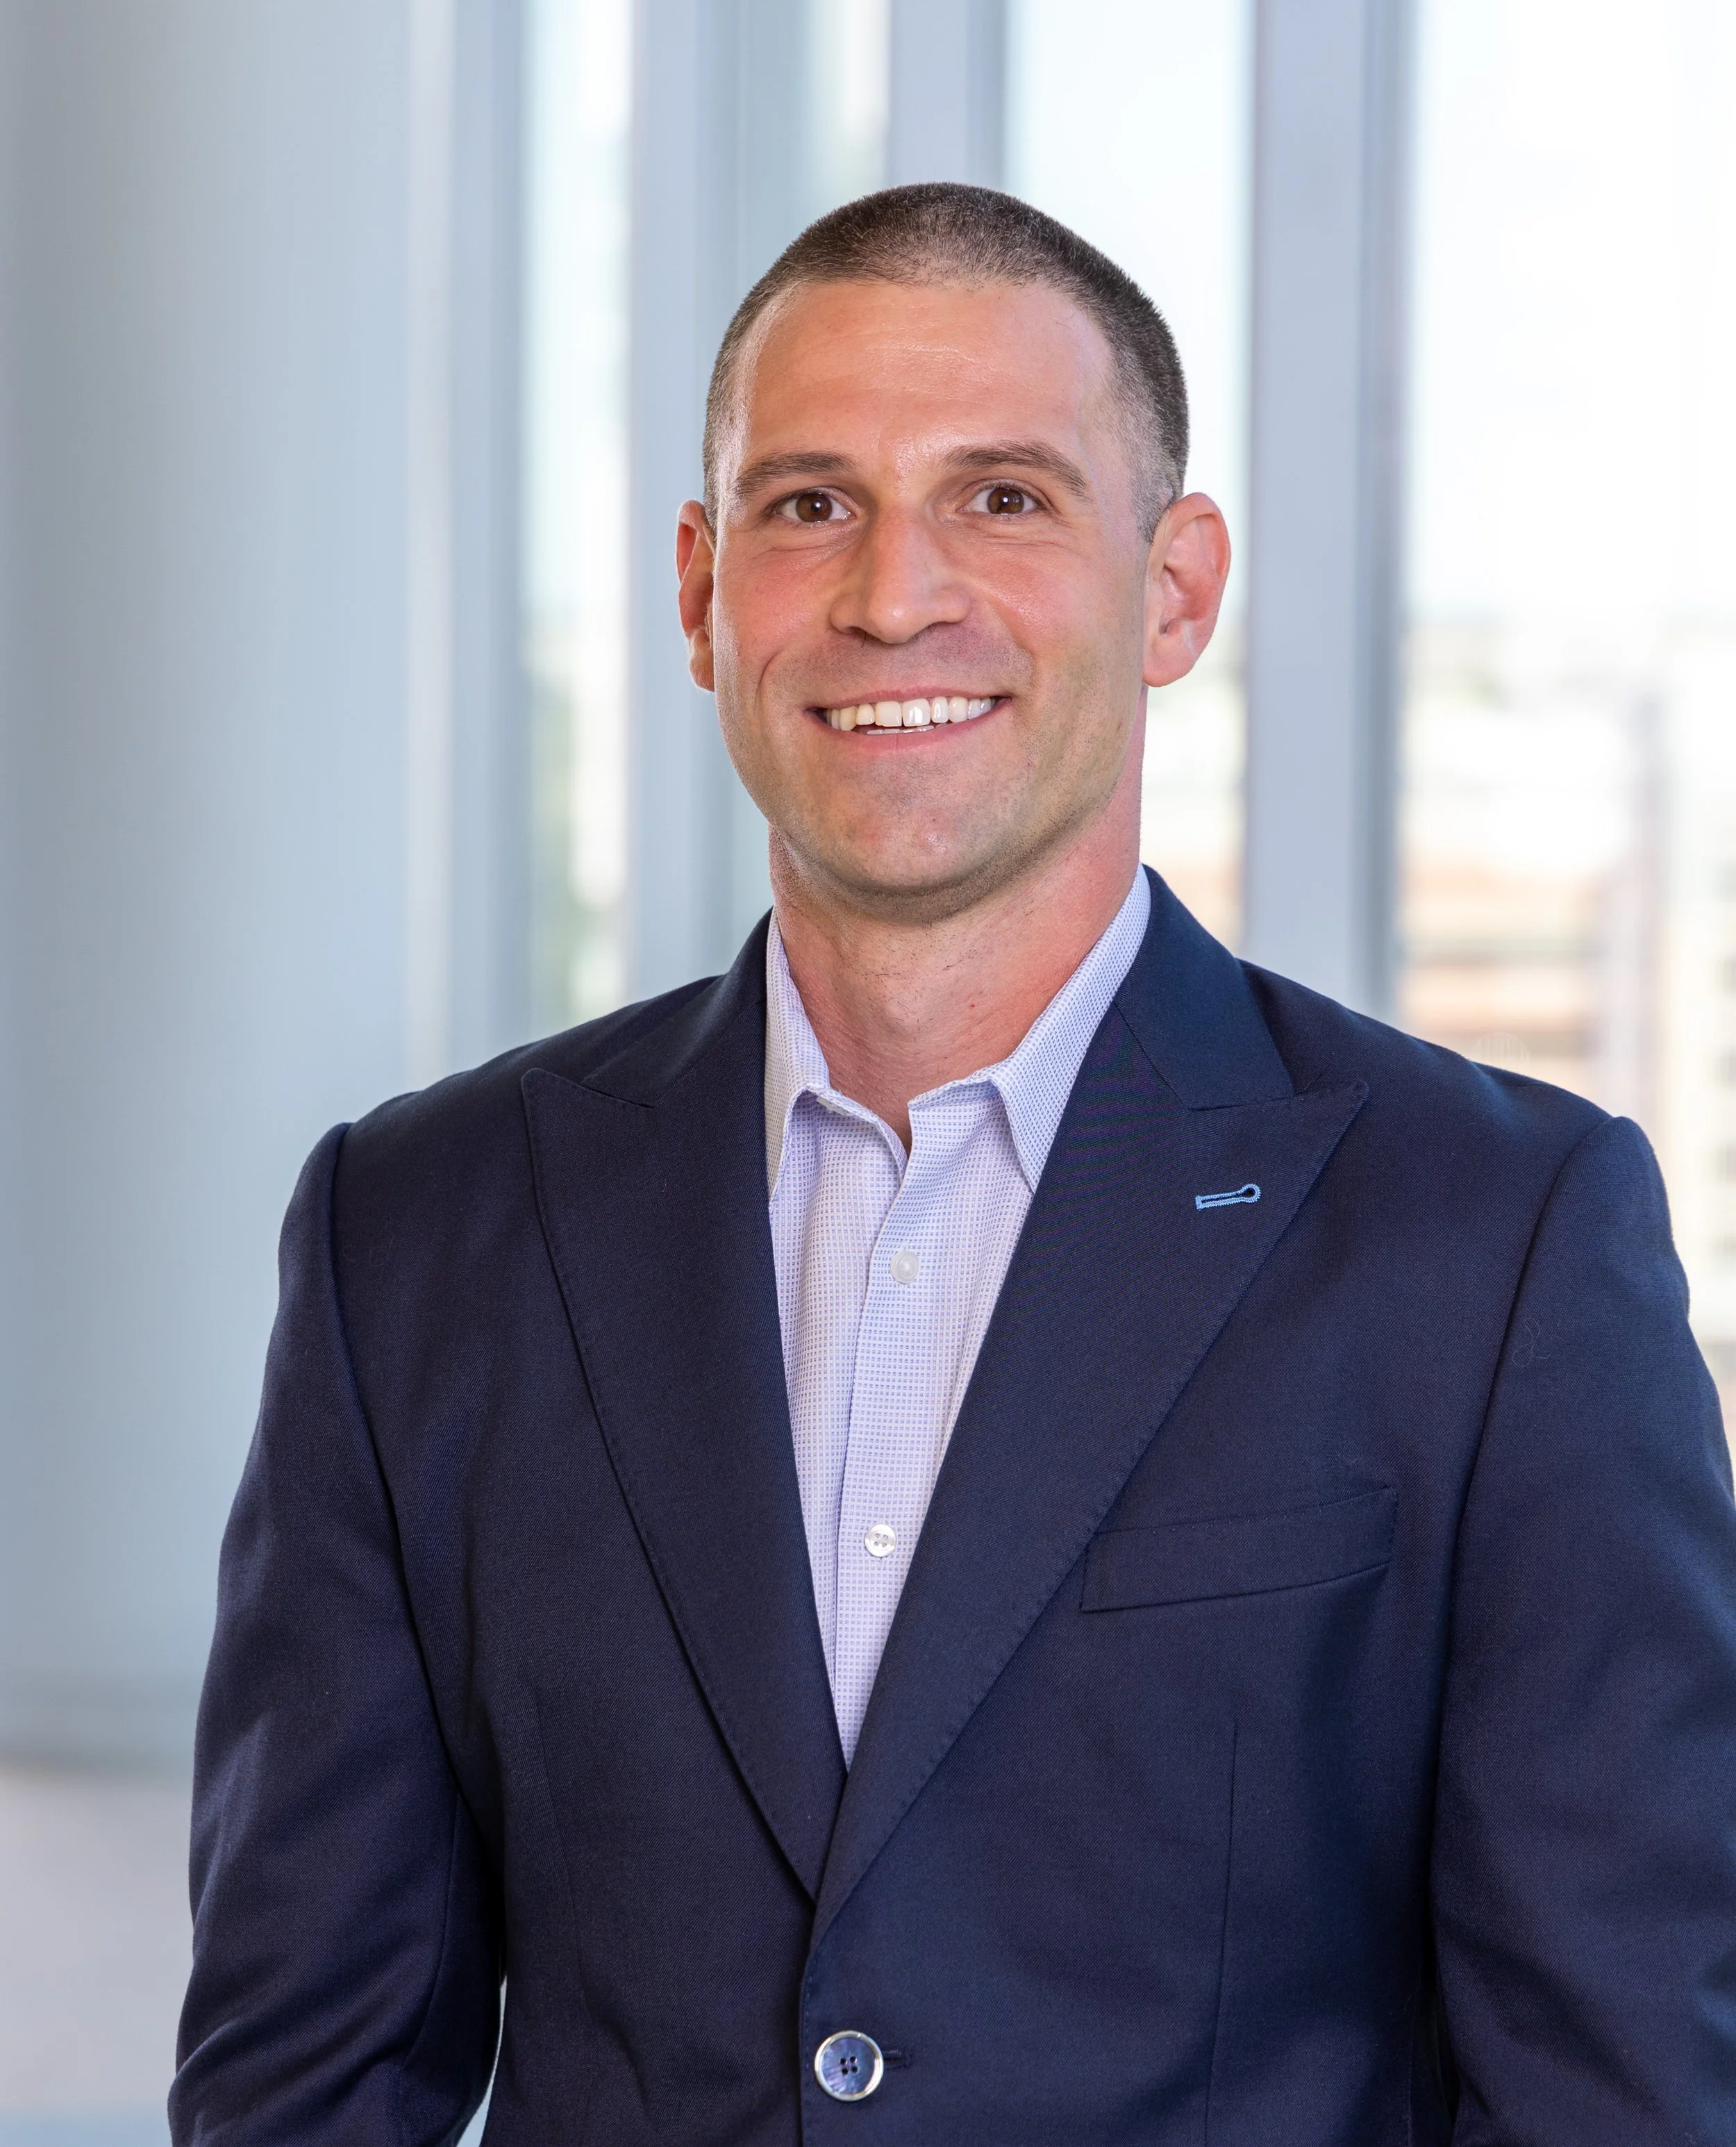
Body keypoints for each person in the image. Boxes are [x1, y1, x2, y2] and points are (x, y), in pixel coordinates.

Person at [171, 184, 1736, 2144]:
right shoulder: (412, 1229)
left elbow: (1615, 2093)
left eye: (1003, 497)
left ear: (1174, 590)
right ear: (699, 592)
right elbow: (304, 2077)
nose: (894, 594)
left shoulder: (1496, 1245)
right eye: (809, 502)